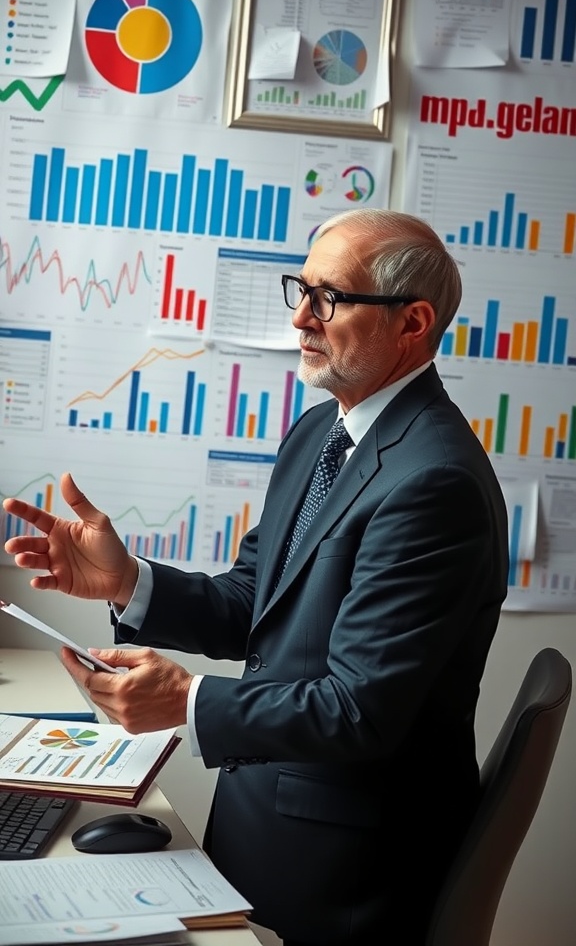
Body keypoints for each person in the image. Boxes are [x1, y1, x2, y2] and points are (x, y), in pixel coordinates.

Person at [3, 208, 509, 946]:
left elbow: (360, 710)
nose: (300, 318)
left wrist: (186, 701)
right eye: (300, 290)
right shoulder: (321, 432)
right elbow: (256, 603)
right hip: (268, 820)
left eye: (329, 298)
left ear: (413, 322)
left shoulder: (434, 481)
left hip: (347, 872)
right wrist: (127, 582)